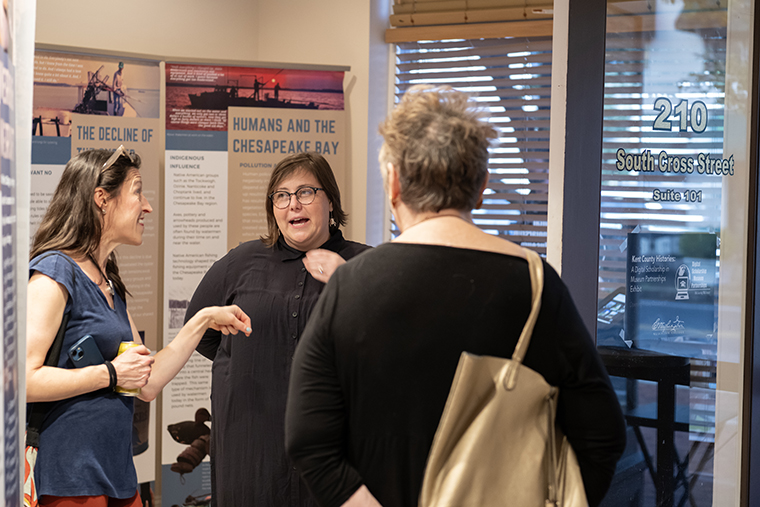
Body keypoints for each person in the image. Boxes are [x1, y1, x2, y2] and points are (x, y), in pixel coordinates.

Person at [285, 86, 627, 507]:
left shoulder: (349, 286)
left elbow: (308, 441)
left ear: (393, 183)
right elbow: (603, 434)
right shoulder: (536, 286)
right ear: (481, 186)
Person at [26, 146, 252, 507]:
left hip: (115, 472)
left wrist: (203, 320)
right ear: (102, 198)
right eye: (137, 192)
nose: (147, 206)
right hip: (69, 478)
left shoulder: (107, 280)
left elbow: (145, 383)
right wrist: (110, 375)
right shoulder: (54, 273)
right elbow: (23, 380)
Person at [186, 151, 370, 506]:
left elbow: (386, 346)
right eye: (281, 196)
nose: (293, 205)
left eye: (305, 193)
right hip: (250, 445)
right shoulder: (241, 262)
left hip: (334, 446)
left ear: (330, 200)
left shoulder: (363, 264)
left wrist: (349, 284)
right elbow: (201, 330)